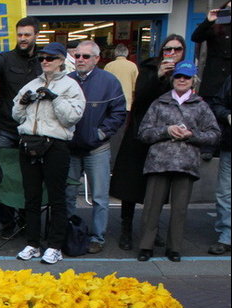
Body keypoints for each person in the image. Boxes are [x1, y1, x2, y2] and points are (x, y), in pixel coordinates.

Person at [135, 62, 220, 262]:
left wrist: (192, 135)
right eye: (179, 76)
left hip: (186, 163)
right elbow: (143, 133)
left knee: (180, 209)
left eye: (187, 77)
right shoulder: (159, 103)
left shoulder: (201, 105)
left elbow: (214, 134)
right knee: (151, 207)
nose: (182, 80)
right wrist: (166, 130)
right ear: (173, 79)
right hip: (159, 162)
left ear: (193, 81)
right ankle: (146, 246)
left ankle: (174, 248)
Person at [12, 41, 85, 265]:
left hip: (55, 145)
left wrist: (55, 98)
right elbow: (16, 115)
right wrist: (23, 102)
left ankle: (55, 246)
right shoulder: (31, 84)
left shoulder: (71, 86)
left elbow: (72, 117)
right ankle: (33, 243)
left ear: (61, 60)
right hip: (29, 142)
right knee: (31, 197)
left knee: (56, 197)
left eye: (50, 58)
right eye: (42, 58)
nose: (45, 61)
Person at [110, 35, 186, 251]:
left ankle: (153, 229)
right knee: (130, 186)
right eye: (168, 49)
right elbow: (141, 96)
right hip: (140, 134)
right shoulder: (150, 68)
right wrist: (159, 75)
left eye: (177, 49)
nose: (172, 53)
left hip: (167, 137)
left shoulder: (185, 72)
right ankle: (126, 228)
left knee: (159, 186)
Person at [0, 17, 43, 237]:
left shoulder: (43, 60)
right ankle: (7, 223)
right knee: (5, 176)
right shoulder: (5, 58)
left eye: (27, 35)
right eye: (20, 34)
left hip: (33, 129)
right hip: (6, 127)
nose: (22, 38)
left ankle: (26, 220)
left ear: (36, 36)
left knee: (30, 177)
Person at [65, 40, 127, 254]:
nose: (80, 60)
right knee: (68, 194)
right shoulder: (67, 80)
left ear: (97, 59)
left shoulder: (109, 81)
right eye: (77, 56)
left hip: (97, 149)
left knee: (100, 197)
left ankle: (97, 238)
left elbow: (119, 112)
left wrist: (100, 133)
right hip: (71, 149)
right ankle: (67, 233)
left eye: (86, 56)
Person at [208, 75, 231, 255]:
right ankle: (226, 237)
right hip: (230, 146)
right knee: (225, 192)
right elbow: (217, 104)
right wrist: (227, 115)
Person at [190, 1, 231, 101]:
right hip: (212, 87)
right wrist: (208, 21)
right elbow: (196, 37)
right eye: (228, 8)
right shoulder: (215, 28)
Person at [104, 44, 138, 111]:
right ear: (127, 53)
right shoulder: (133, 66)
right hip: (127, 103)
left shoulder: (108, 66)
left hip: (111, 102)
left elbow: (104, 85)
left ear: (115, 53)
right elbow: (136, 86)